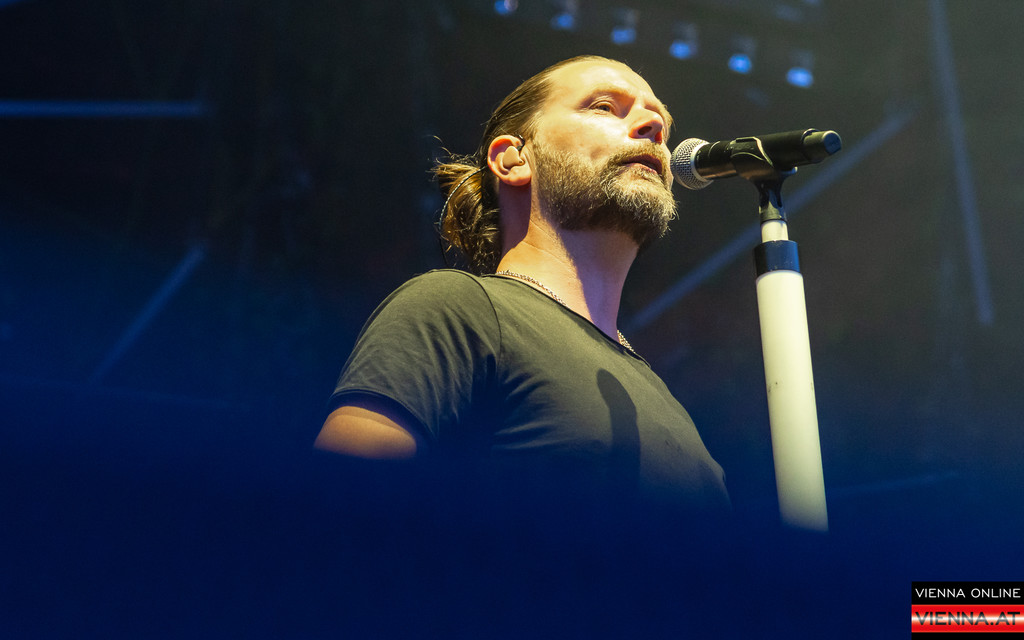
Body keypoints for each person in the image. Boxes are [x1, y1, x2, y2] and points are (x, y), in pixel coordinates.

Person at [315, 55, 730, 519]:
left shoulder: (668, 403)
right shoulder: (457, 310)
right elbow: (335, 514)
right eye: (604, 107)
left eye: (662, 125)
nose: (652, 127)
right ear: (512, 158)